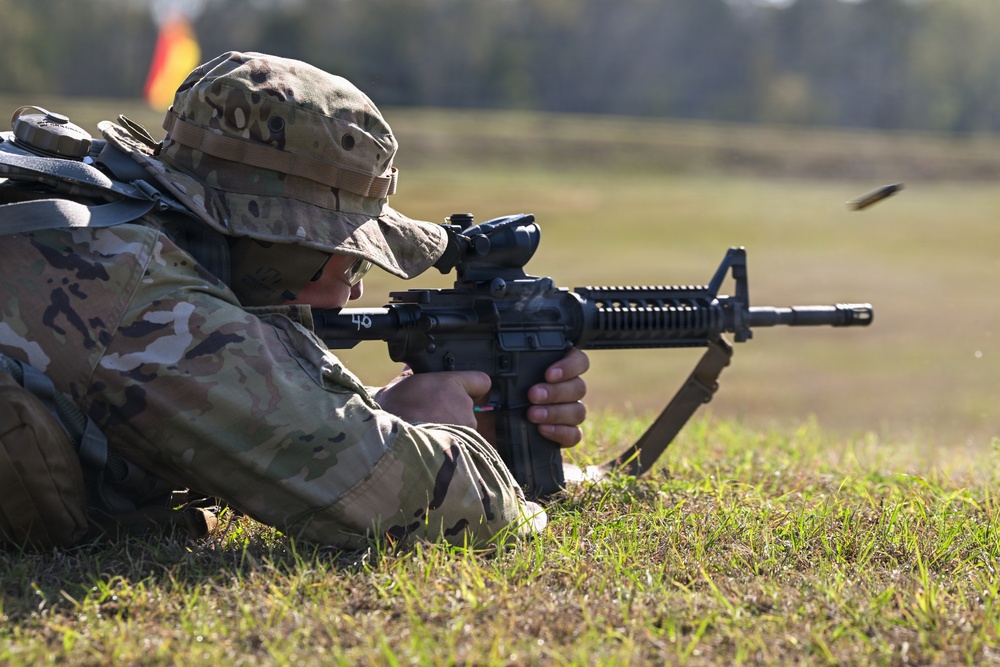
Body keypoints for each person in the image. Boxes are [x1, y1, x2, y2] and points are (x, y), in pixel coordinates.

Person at [0, 51, 589, 548]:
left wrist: (375, 410)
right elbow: (425, 503)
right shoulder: (143, 297)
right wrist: (445, 432)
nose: (357, 286)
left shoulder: (89, 218)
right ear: (278, 251)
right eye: (352, 256)